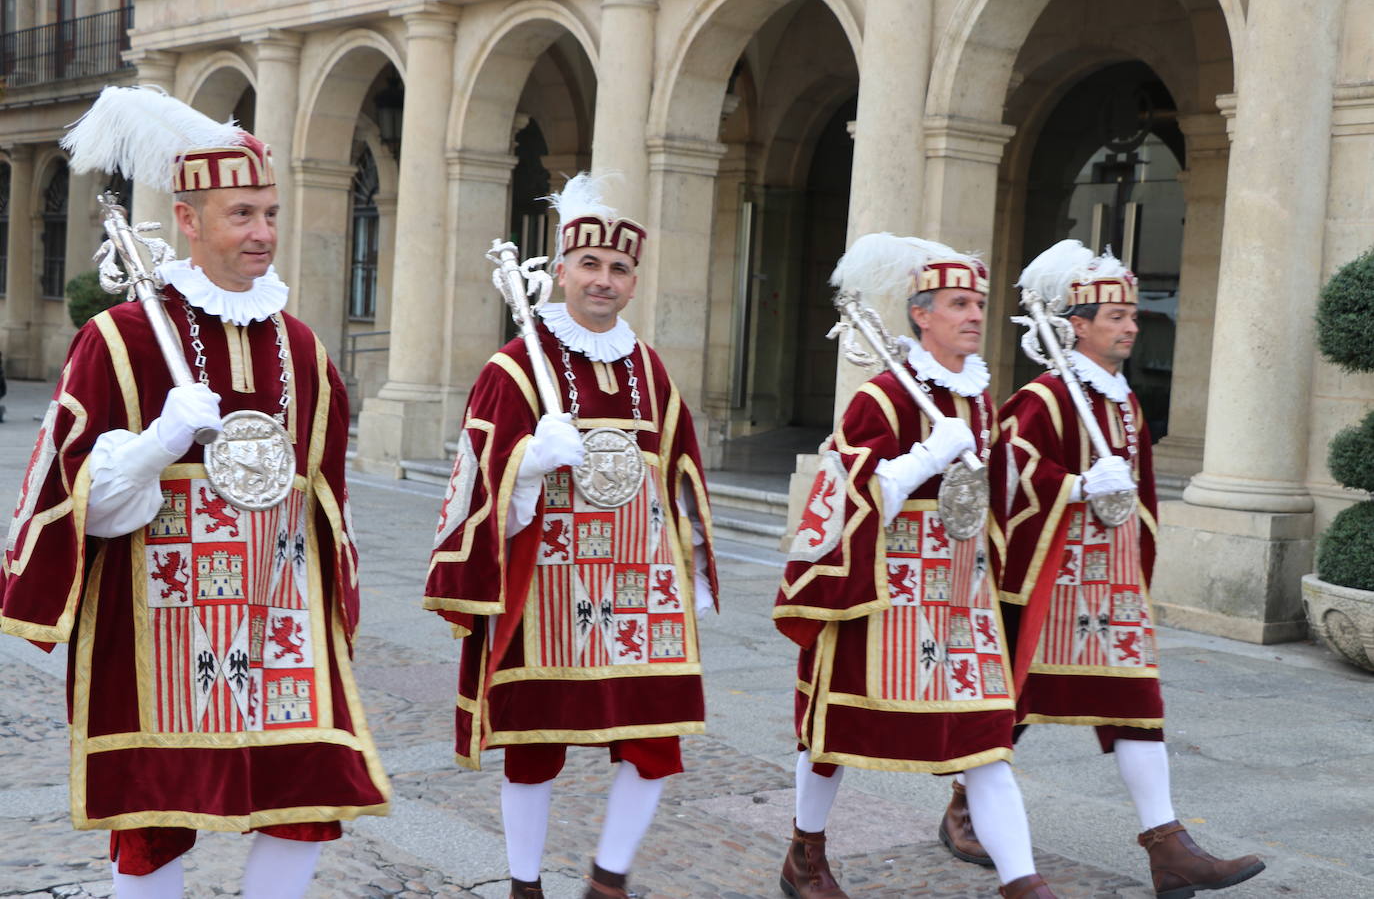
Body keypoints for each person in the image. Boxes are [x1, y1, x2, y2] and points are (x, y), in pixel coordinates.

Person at [0, 85, 390, 898]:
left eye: (271, 213)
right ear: (188, 219)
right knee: (156, 820)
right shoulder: (121, 338)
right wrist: (158, 444)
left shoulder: (306, 349)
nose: (263, 233)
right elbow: (71, 502)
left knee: (306, 800)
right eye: (242, 214)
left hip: (281, 619)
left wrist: (337, 604)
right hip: (157, 628)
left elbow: (328, 499)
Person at [425, 173, 718, 899]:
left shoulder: (649, 368)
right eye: (589, 264)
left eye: (619, 269)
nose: (604, 280)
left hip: (640, 588)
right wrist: (527, 463)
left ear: (633, 282)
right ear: (560, 270)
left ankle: (608, 877)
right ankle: (525, 883)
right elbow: (473, 476)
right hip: (546, 589)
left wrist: (697, 572)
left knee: (654, 741)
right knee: (535, 744)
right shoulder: (516, 366)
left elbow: (680, 467)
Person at [973, 239, 1264, 898]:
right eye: (1117, 318)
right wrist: (1074, 486)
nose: (1132, 327)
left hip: (1113, 585)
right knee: (1010, 707)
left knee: (1137, 704)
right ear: (1077, 325)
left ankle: (1169, 848)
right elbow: (1007, 472)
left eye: (1134, 317)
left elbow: (1144, 494)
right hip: (1050, 581)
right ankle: (969, 807)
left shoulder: (1127, 404)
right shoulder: (1044, 399)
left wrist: (1138, 555)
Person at [772, 233, 1056, 899]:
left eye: (980, 303)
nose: (974, 315)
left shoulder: (979, 396)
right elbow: (841, 491)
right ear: (921, 314)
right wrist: (926, 458)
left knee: (988, 735)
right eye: (959, 303)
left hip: (961, 594)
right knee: (835, 731)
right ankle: (805, 855)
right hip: (883, 591)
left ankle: (1023, 884)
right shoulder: (883, 398)